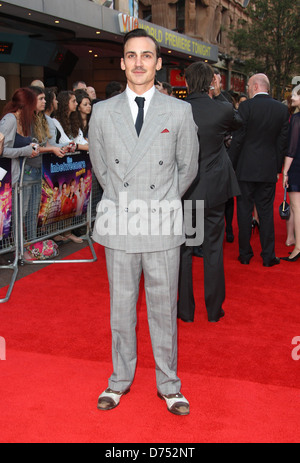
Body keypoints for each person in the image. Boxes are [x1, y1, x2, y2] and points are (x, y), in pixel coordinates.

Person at [88, 28, 199, 415]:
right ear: (122, 63)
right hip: (121, 224)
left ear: (157, 63)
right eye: (131, 56)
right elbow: (100, 167)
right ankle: (119, 380)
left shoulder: (179, 111)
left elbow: (188, 168)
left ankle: (169, 385)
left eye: (146, 56)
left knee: (164, 310)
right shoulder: (102, 112)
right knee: (121, 309)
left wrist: (159, 202)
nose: (138, 62)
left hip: (161, 223)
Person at [177, 62, 242, 324]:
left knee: (185, 251)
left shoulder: (177, 109)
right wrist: (216, 94)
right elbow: (239, 121)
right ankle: (215, 310)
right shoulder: (223, 109)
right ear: (211, 82)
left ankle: (185, 311)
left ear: (186, 83)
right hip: (215, 190)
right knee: (214, 249)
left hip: (188, 189)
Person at [228, 73, 290, 267]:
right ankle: (268, 255)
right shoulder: (281, 109)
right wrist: (277, 167)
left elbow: (238, 139)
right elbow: (282, 143)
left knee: (244, 211)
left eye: (248, 85)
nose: (246, 88)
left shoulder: (245, 107)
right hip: (268, 169)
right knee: (265, 211)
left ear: (255, 86)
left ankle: (245, 254)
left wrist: (232, 164)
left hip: (245, 168)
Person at [0, 87, 39, 185]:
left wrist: (32, 148)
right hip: (7, 180)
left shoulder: (21, 121)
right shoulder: (9, 120)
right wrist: (25, 151)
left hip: (16, 178)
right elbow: (2, 150)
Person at [281, 84, 300, 262]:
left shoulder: (296, 119)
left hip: (297, 167)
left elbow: (292, 149)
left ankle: (298, 247)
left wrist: (285, 171)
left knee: (297, 208)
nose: (291, 97)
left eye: (295, 94)